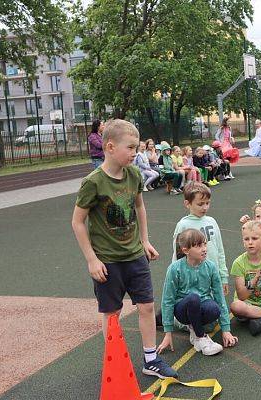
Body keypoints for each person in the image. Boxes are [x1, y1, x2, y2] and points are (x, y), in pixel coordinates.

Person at [71, 119, 177, 379]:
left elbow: (139, 206)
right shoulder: (93, 182)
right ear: (109, 147)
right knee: (112, 313)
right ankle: (114, 362)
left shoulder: (134, 174)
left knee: (147, 306)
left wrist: (144, 240)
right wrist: (91, 260)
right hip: (107, 261)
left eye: (136, 147)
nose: (135, 153)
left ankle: (151, 359)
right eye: (130, 148)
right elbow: (77, 221)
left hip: (134, 257)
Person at [157, 229, 237, 356]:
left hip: (202, 303)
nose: (204, 249)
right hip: (182, 309)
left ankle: (194, 329)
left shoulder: (210, 267)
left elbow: (219, 298)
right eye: (199, 246)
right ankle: (200, 338)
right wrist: (168, 333)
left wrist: (226, 329)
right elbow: (168, 300)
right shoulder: (174, 269)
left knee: (214, 309)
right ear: (185, 250)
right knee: (193, 298)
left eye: (205, 244)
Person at [171, 182, 229, 295]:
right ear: (187, 204)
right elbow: (177, 254)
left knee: (214, 307)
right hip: (192, 278)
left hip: (213, 275)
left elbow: (220, 250)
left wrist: (223, 276)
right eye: (200, 204)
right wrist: (177, 278)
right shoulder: (183, 225)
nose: (205, 207)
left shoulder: (212, 222)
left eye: (207, 203)